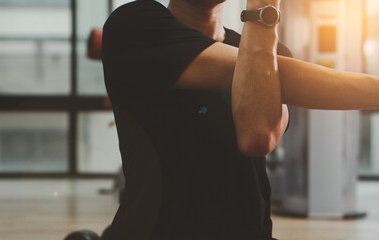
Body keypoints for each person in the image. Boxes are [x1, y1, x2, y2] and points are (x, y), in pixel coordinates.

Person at [101, 0, 379, 239]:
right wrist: (262, 11)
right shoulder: (135, 26)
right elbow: (255, 132)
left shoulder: (273, 53)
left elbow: (259, 135)